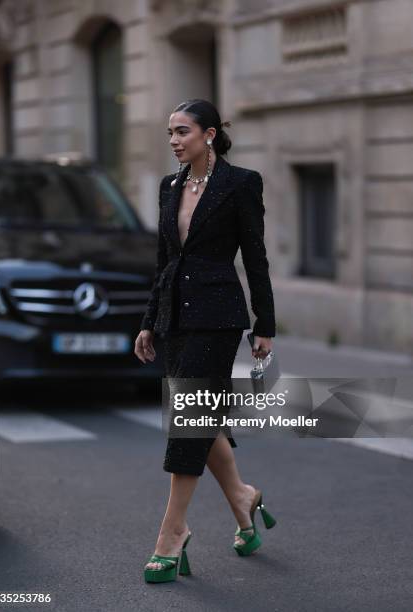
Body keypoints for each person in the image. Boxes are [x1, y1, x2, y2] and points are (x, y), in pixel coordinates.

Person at [134, 99, 277, 583]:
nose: (174, 140)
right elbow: (164, 262)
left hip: (217, 318)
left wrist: (265, 324)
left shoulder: (241, 184)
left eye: (182, 131)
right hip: (176, 316)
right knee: (198, 414)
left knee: (189, 419)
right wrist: (150, 321)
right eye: (170, 133)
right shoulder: (168, 186)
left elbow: (255, 259)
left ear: (209, 135)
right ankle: (243, 497)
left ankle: (172, 533)